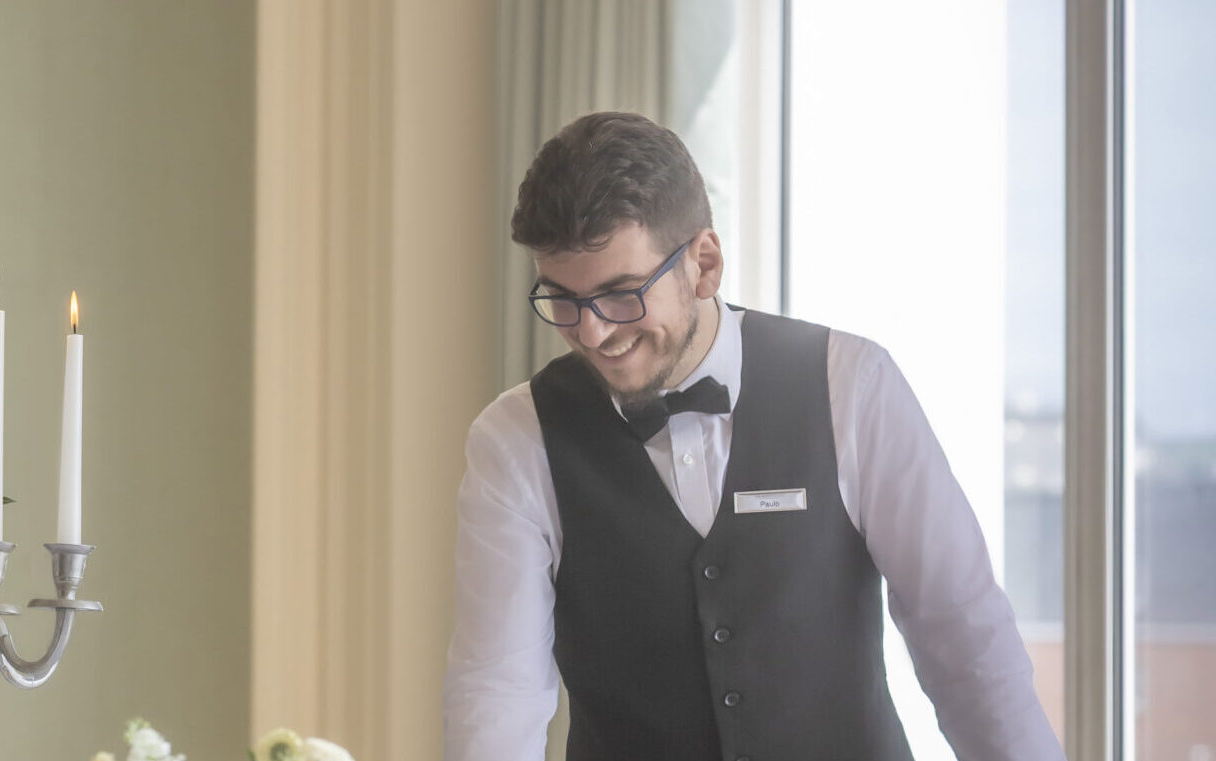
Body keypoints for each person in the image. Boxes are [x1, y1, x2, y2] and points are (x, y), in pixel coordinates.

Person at [443, 112, 1063, 761]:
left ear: (703, 263)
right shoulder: (517, 438)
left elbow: (961, 637)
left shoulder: (850, 384)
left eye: (620, 294)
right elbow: (496, 689)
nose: (592, 331)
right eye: (563, 300)